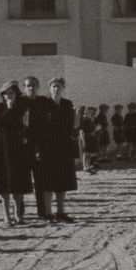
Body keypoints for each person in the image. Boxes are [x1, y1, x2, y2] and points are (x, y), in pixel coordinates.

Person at [0, 80, 33, 226]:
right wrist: (9, 108)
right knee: (4, 184)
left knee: (18, 182)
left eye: (12, 93)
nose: (9, 96)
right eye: (6, 94)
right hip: (3, 149)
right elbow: (0, 123)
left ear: (16, 94)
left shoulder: (22, 108)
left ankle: (18, 214)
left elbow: (24, 125)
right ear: (2, 96)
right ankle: (6, 216)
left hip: (18, 148)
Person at [43, 77, 77, 223]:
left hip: (64, 147)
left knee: (63, 181)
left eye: (59, 87)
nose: (56, 89)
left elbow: (71, 126)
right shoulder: (44, 104)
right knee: (48, 181)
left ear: (63, 88)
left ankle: (61, 212)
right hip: (48, 147)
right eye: (53, 86)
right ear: (49, 88)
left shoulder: (67, 104)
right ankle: (48, 213)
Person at [21, 76, 52, 219]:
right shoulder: (20, 102)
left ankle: (42, 212)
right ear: (24, 88)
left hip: (40, 146)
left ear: (38, 87)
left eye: (33, 85)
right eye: (28, 86)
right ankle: (19, 213)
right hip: (23, 147)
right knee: (21, 181)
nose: (31, 88)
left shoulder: (43, 102)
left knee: (41, 181)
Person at [77, 106, 99, 175]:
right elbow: (81, 130)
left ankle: (88, 166)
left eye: (91, 112)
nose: (91, 113)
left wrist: (95, 130)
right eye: (89, 112)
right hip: (86, 138)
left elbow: (92, 129)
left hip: (91, 138)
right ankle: (85, 167)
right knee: (85, 153)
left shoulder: (90, 119)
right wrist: (83, 140)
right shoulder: (84, 120)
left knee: (89, 153)